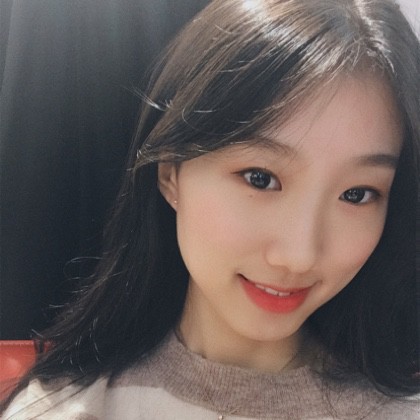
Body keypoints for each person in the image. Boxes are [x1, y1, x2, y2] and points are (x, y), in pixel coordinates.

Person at [2, 0, 420, 418]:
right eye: (259, 178)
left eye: (357, 194)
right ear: (171, 172)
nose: (299, 256)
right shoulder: (62, 409)